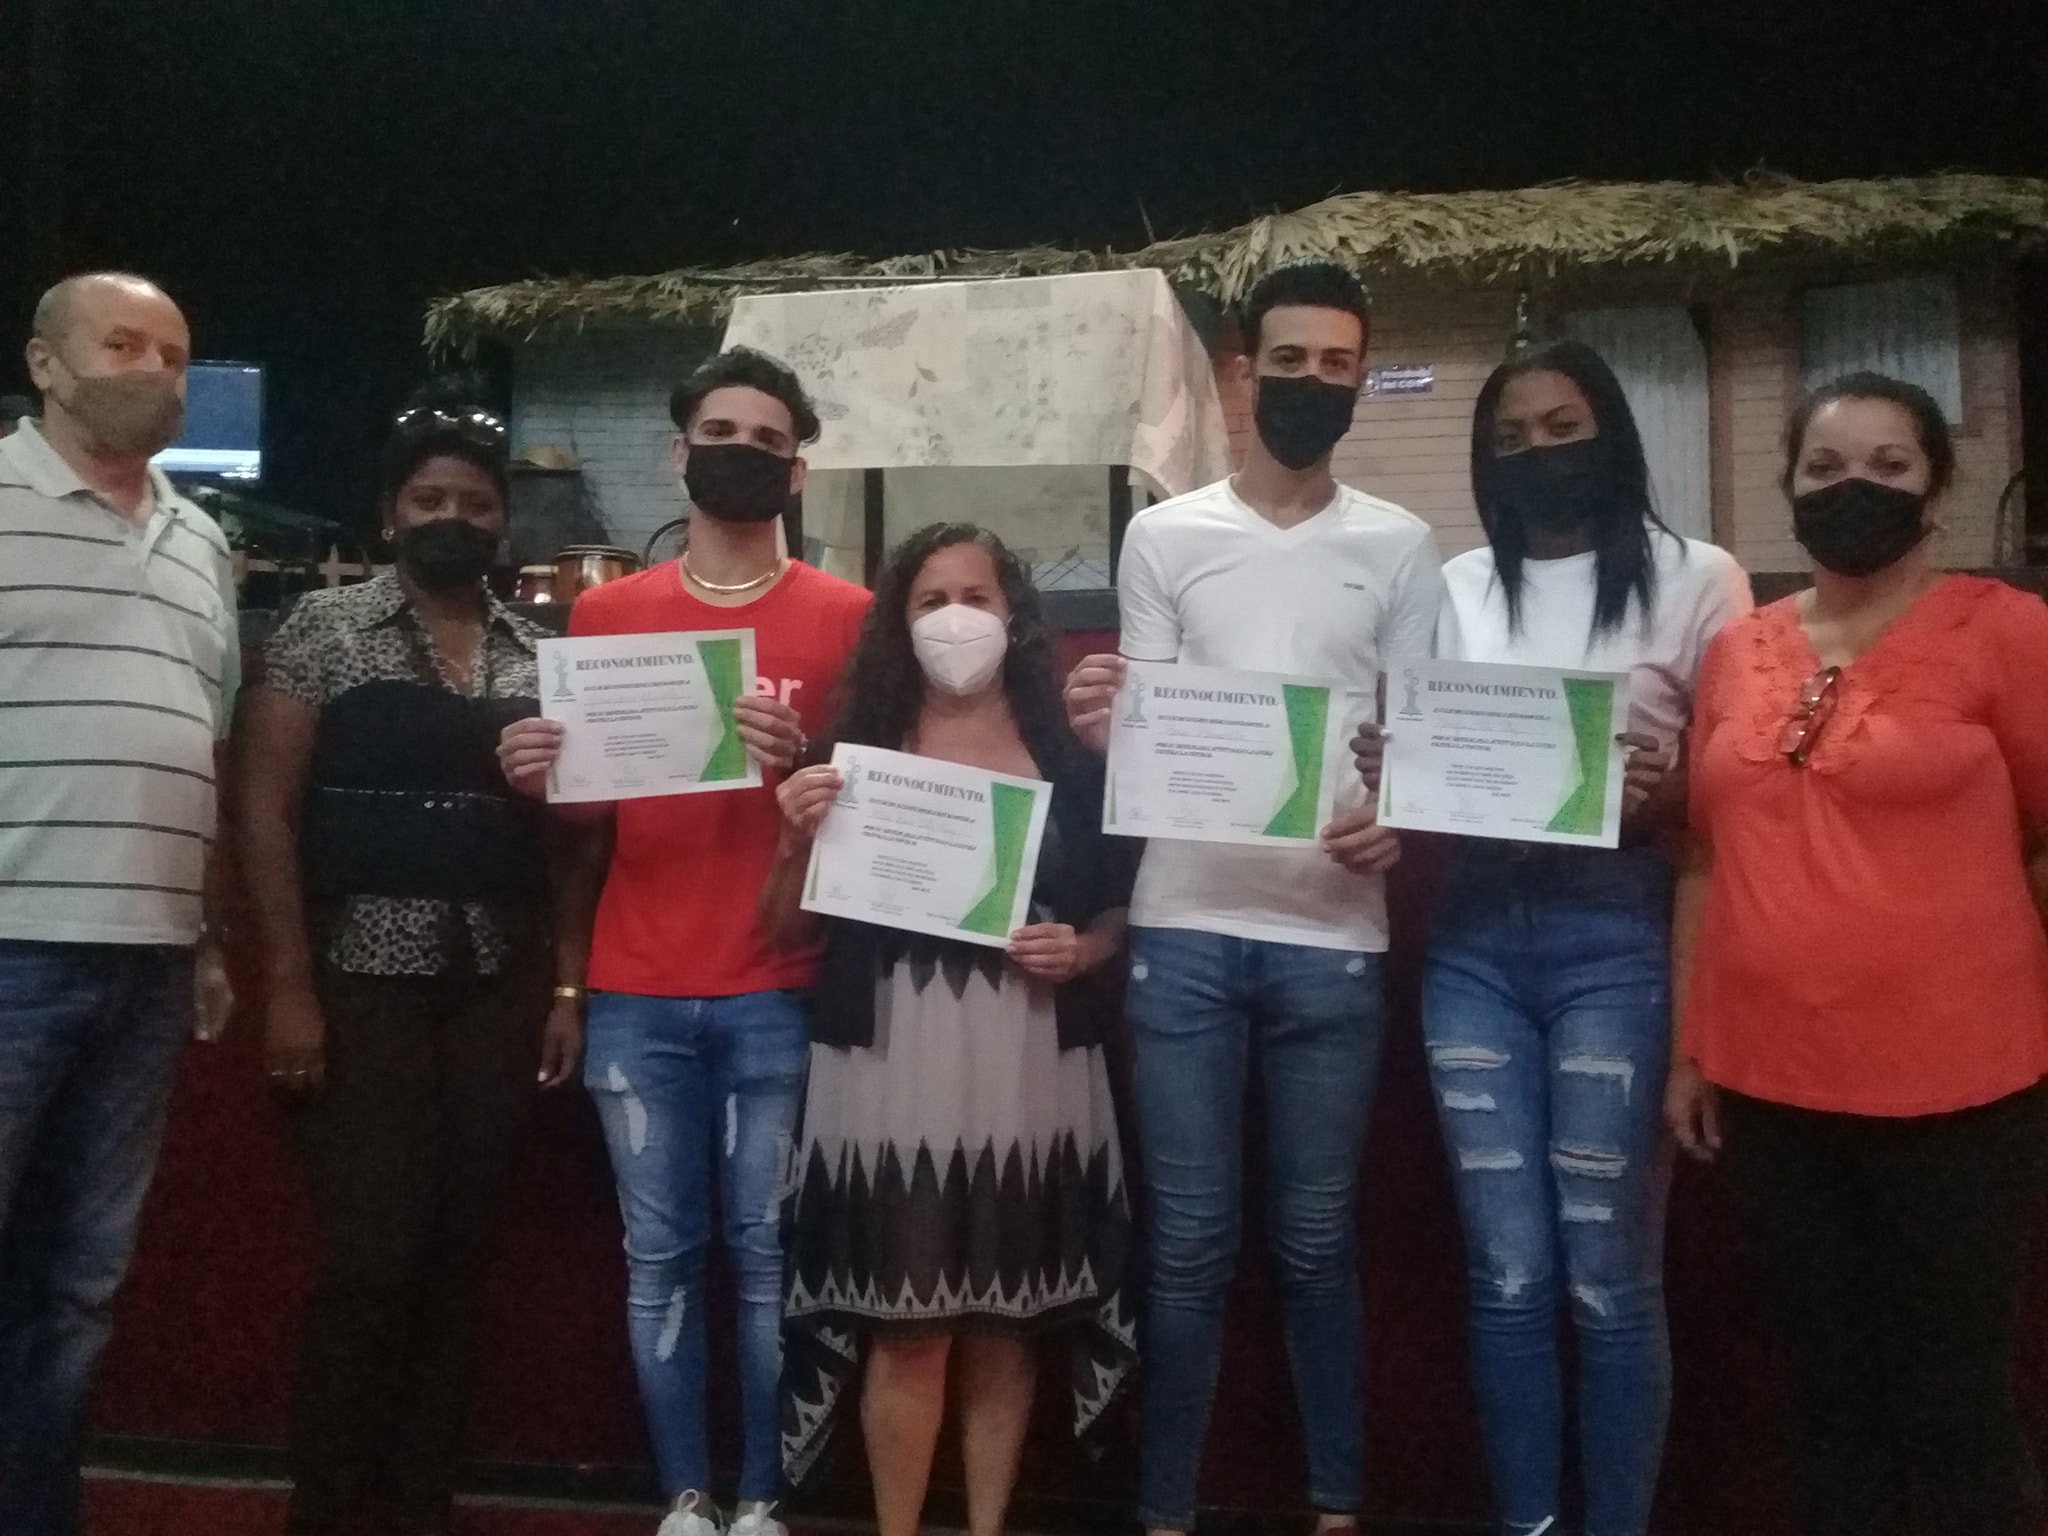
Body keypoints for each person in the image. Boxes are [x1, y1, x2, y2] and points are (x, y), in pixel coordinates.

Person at [1065, 260, 1442, 1536]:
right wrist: (1104, 721)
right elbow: (1147, 738)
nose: (1311, 384)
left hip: (1333, 939)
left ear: (1356, 379)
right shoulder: (1165, 535)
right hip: (1180, 935)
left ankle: (1334, 1505)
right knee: (1184, 1246)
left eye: (1337, 365)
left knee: (1319, 1244)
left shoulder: (1399, 545)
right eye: (1290, 361)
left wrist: (1400, 808)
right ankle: (1164, 1512)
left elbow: (1418, 743)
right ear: (1243, 371)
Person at [1355, 340, 1748, 1536]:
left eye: (1561, 425)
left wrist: (1665, 788)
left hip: (1618, 942)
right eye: (1510, 438)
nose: (1537, 452)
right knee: (1508, 1278)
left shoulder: (1700, 578)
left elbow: (1733, 805)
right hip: (1473, 941)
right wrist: (1394, 771)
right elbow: (1421, 770)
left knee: (1605, 1279)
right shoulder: (1457, 584)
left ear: (1612, 433)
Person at [1666, 373, 2048, 1536]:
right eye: (1824, 468)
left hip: (1959, 1090)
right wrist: (1691, 1051)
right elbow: (1698, 857)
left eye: (1887, 466)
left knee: (1953, 1403)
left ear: (1935, 487)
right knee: (1824, 1398)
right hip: (1772, 1084)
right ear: (1785, 485)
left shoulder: (2008, 632)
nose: (1854, 489)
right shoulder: (1736, 651)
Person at [498, 347, 870, 1536]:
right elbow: (586, 829)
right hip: (634, 992)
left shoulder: (851, 619)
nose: (741, 452)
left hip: (779, 986)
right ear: (678, 451)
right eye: (721, 430)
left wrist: (804, 771)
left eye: (767, 439)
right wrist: (537, 775)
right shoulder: (605, 614)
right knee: (658, 1259)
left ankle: (760, 1498)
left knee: (765, 1258)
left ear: (797, 468)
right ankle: (683, 1497)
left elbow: (882, 815)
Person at [236, 392, 586, 1536]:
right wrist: (288, 984)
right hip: (356, 979)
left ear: (502, 524)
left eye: (476, 504)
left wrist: (568, 985)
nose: (455, 516)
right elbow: (265, 810)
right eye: (429, 499)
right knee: (373, 1259)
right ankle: (330, 1512)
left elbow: (582, 839)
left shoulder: (545, 650)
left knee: (455, 1258)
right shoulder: (323, 630)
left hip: (497, 982)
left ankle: (419, 1508)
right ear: (390, 514)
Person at [763, 523, 1138, 1536]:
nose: (955, 616)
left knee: (1006, 1325)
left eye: (976, 594)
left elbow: (1118, 908)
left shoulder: (1071, 756)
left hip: (1027, 1052)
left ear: (1014, 616)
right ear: (897, 621)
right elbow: (784, 929)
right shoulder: (849, 753)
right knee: (908, 1324)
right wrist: (796, 837)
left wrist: (1087, 953)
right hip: (887, 1055)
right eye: (930, 599)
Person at [0, 272, 237, 1535]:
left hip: (145, 965)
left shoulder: (200, 539)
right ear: (47, 363)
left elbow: (198, 742)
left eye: (176, 352)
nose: (155, 368)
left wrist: (202, 934)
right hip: (9, 951)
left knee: (81, 1290)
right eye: (124, 344)